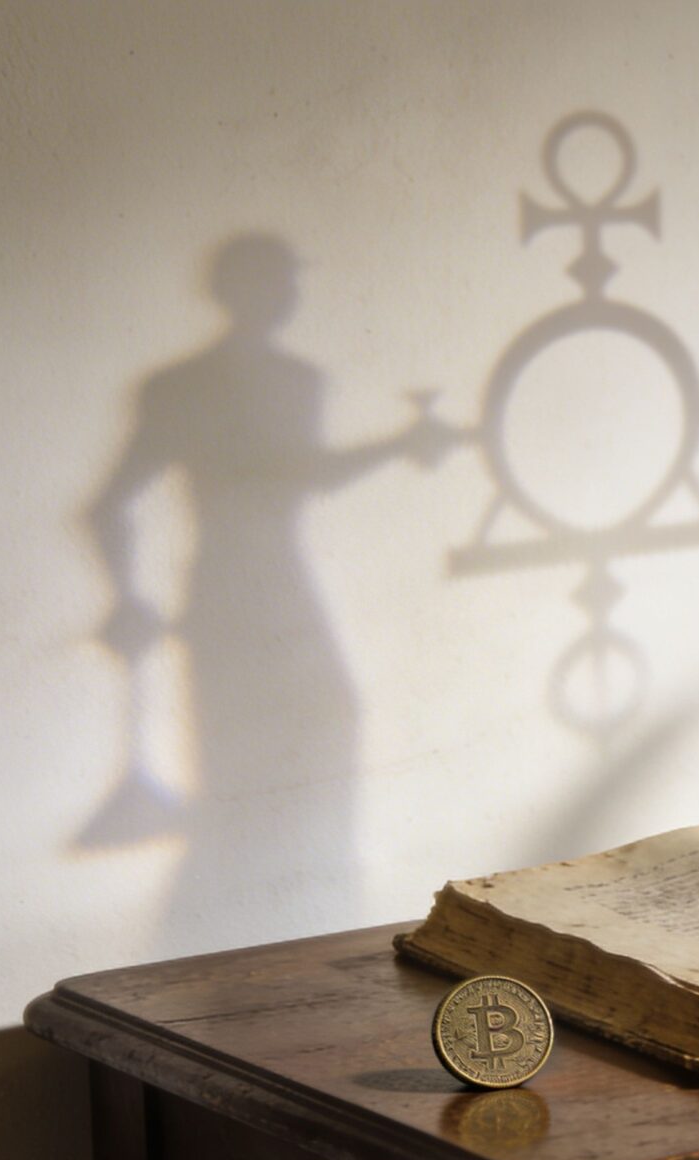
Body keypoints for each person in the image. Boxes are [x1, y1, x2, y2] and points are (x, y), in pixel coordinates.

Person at [83, 232, 449, 948]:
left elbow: (304, 474)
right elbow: (110, 505)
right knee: (243, 757)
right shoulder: (179, 390)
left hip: (280, 583)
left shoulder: (298, 380)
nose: (288, 294)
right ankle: (242, 928)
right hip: (227, 591)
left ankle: (319, 906)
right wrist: (126, 596)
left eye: (292, 280)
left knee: (329, 724)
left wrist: (401, 445)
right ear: (237, 288)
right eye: (277, 279)